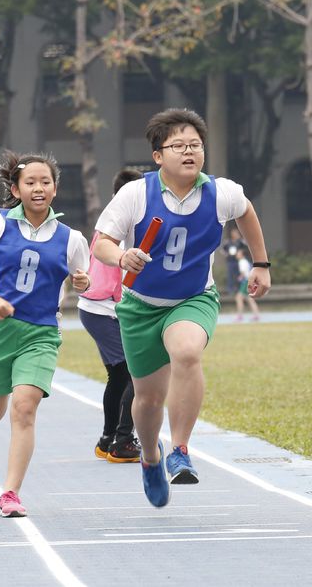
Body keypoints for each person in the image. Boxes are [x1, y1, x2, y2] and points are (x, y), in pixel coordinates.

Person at [93, 108, 271, 508]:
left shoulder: (222, 192)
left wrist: (261, 263)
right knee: (148, 401)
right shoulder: (137, 193)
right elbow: (101, 241)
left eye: (195, 145)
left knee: (188, 352)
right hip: (141, 306)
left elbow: (247, 212)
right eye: (179, 146)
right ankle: (151, 457)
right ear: (158, 155)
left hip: (193, 299)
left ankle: (181, 449)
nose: (189, 152)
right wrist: (122, 257)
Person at [0, 151, 90, 517]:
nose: (39, 188)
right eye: (30, 182)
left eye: (45, 182)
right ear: (16, 190)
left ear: (55, 189)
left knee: (24, 408)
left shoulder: (72, 238)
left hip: (41, 334)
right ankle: (0, 386)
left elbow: (83, 280)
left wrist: (82, 280)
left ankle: (10, 493)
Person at [79, 167, 143, 464]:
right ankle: (122, 440)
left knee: (119, 375)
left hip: (99, 308)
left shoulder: (122, 218)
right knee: (135, 373)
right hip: (103, 307)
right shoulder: (121, 220)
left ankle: (108, 440)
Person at [234, 247, 261, 322]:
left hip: (245, 281)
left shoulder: (242, 261)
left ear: (242, 255)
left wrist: (239, 278)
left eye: (238, 253)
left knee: (238, 298)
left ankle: (240, 316)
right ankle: (256, 315)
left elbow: (243, 273)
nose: (237, 254)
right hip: (248, 281)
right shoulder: (245, 261)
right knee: (249, 298)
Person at [221, 226, 244, 296]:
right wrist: (226, 254)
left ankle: (239, 289)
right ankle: (230, 290)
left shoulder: (240, 242)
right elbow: (222, 250)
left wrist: (240, 252)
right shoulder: (228, 242)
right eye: (233, 233)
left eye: (236, 233)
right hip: (230, 261)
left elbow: (245, 248)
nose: (234, 234)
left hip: (238, 261)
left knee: (239, 275)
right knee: (230, 275)